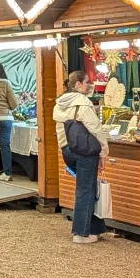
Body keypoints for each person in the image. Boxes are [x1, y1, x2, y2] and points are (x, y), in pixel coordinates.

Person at [55, 70, 108, 243]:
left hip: (67, 150)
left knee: (86, 188)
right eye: (86, 82)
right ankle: (81, 233)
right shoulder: (83, 103)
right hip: (85, 152)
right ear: (78, 84)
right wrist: (104, 151)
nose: (89, 85)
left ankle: (94, 228)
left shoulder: (59, 103)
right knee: (86, 190)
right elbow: (96, 129)